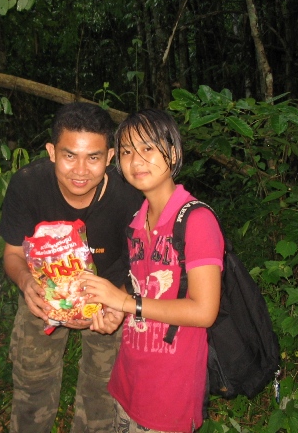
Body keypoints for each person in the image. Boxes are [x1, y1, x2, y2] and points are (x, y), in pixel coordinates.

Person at [0, 102, 144, 433]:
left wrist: (118, 301)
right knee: (32, 384)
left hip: (109, 292)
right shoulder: (28, 185)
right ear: (51, 152)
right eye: (69, 155)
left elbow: (140, 261)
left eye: (93, 157)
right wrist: (26, 284)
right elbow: (13, 253)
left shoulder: (129, 196)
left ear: (109, 157)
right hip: (45, 290)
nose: (80, 170)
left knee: (102, 392)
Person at [80, 108, 224, 432]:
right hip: (128, 381)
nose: (136, 160)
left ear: (172, 153)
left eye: (148, 147)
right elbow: (140, 287)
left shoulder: (197, 221)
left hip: (169, 394)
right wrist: (117, 311)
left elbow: (204, 311)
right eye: (127, 151)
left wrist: (125, 303)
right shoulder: (136, 220)